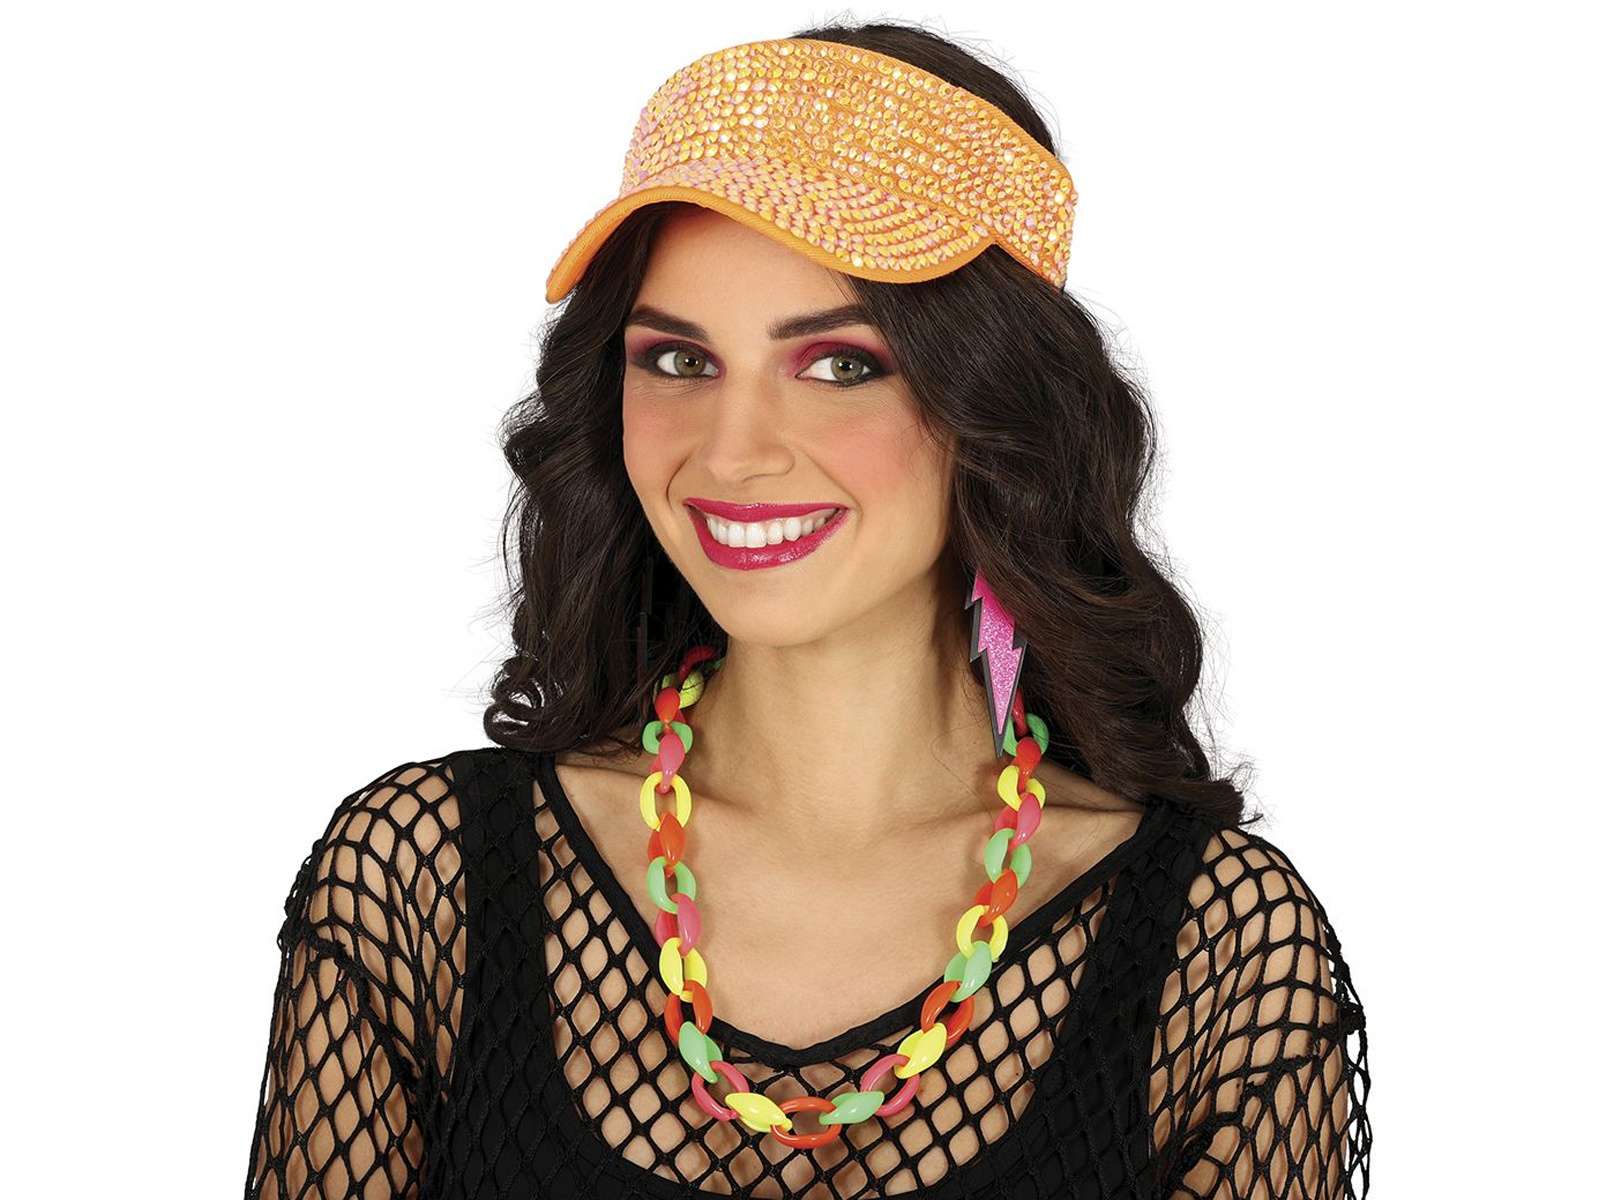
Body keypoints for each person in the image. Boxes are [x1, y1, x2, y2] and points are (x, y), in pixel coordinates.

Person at [244, 20, 1372, 1199]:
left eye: (840, 365)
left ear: (997, 409)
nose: (731, 452)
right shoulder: (424, 881)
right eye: (678, 361)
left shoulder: (1216, 946)